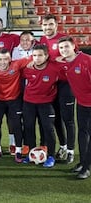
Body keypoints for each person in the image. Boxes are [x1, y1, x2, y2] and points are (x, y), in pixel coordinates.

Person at [40, 14, 76, 163]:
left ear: (56, 25)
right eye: (44, 25)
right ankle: (63, 145)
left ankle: (71, 151)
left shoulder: (65, 39)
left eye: (50, 24)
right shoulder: (42, 40)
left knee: (68, 119)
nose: (47, 27)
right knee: (55, 119)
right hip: (50, 85)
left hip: (66, 84)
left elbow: (77, 55)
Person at [0, 49, 29, 163]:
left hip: (15, 100)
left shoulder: (16, 64)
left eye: (5, 59)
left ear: (10, 59)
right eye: (0, 59)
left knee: (16, 125)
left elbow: (36, 57)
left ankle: (18, 150)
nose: (3, 62)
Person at [22, 44, 62, 168]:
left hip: (46, 103)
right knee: (28, 128)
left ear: (46, 56)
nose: (37, 58)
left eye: (40, 55)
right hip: (28, 102)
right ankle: (32, 153)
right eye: (34, 55)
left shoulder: (55, 69)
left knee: (48, 129)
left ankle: (51, 156)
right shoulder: (27, 68)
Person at [57, 36, 91, 179]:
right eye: (61, 48)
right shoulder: (64, 63)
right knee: (82, 134)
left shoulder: (87, 61)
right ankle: (83, 162)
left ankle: (87, 167)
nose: (64, 50)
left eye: (66, 46)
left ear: (74, 46)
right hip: (82, 104)